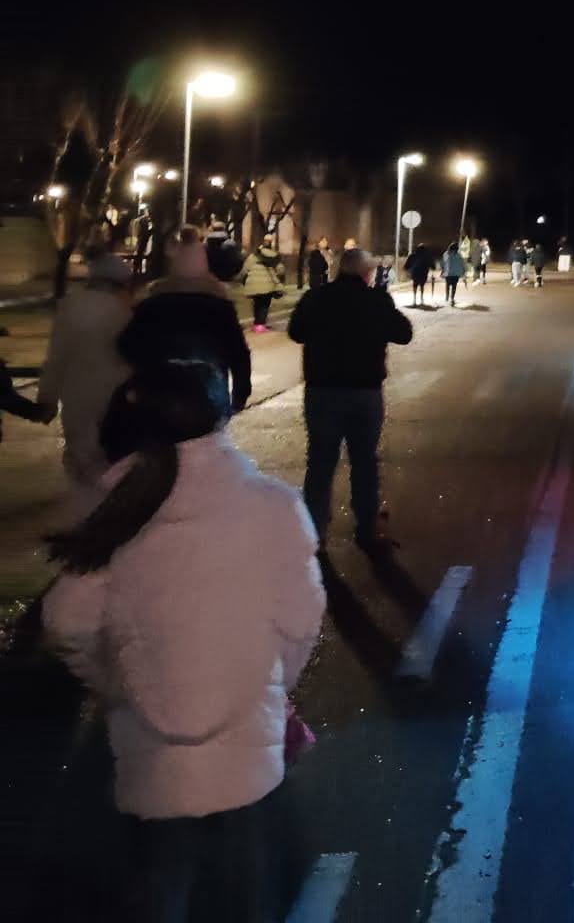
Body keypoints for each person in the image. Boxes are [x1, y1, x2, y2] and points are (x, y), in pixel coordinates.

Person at [41, 361, 325, 922]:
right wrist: (265, 683)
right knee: (246, 890)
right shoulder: (274, 506)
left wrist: (117, 681)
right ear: (222, 415)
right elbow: (301, 621)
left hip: (152, 757)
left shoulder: (121, 507)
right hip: (247, 749)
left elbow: (66, 619)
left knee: (161, 884)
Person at [287, 247, 414, 551]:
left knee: (320, 461)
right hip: (363, 392)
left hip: (322, 391)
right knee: (364, 460)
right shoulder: (375, 300)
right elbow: (404, 333)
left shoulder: (316, 297)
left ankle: (315, 530)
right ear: (365, 272)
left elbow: (296, 332)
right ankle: (367, 525)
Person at [119, 226, 252, 419]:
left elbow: (127, 345)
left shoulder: (153, 304)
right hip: (210, 395)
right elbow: (238, 353)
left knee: (161, 444)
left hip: (161, 395)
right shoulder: (219, 306)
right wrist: (240, 394)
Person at [38, 248, 137, 504]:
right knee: (109, 457)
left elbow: (57, 355)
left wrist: (47, 396)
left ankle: (84, 513)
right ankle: (107, 509)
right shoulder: (126, 311)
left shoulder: (71, 307)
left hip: (77, 395)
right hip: (116, 395)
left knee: (80, 456)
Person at [238, 238, 288, 333]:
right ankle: (260, 325)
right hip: (268, 284)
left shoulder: (253, 256)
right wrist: (280, 277)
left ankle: (257, 323)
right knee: (265, 304)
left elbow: (245, 269)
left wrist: (241, 279)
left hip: (254, 283)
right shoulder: (274, 256)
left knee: (257, 303)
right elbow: (280, 269)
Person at [403, 241, 437, 307]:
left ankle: (414, 300)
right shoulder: (427, 256)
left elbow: (406, 266)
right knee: (422, 285)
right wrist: (432, 268)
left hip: (415, 273)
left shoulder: (412, 256)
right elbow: (433, 266)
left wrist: (407, 270)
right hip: (423, 274)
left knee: (415, 285)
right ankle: (421, 300)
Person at [440, 239, 467, 307]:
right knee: (454, 286)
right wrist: (463, 271)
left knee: (448, 285)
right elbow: (462, 264)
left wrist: (442, 270)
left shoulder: (446, 254)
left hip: (448, 273)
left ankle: (447, 296)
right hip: (456, 274)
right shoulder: (458, 255)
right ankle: (452, 298)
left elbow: (442, 263)